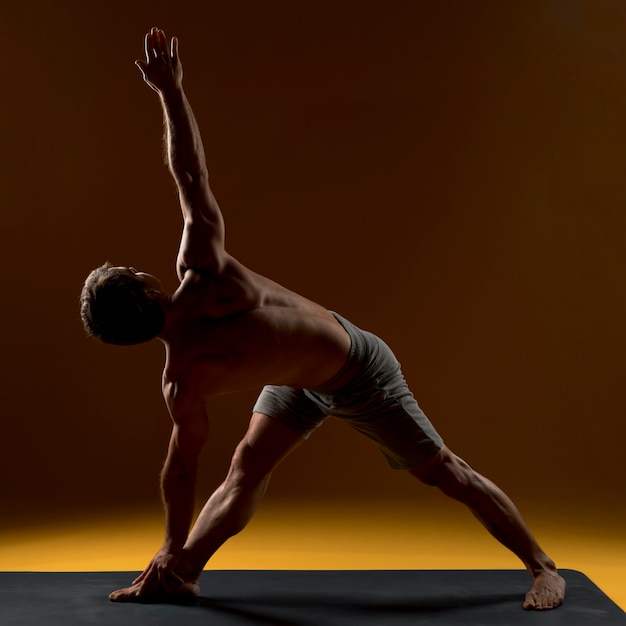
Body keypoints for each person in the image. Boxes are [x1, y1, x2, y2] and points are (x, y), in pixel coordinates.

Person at [80, 27, 566, 611]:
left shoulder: (186, 362)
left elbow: (181, 470)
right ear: (148, 286)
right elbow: (191, 179)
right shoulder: (200, 280)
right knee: (244, 468)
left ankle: (544, 567)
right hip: (300, 382)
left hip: (360, 369)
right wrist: (170, 92)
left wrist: (171, 92)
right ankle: (178, 572)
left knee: (444, 472)